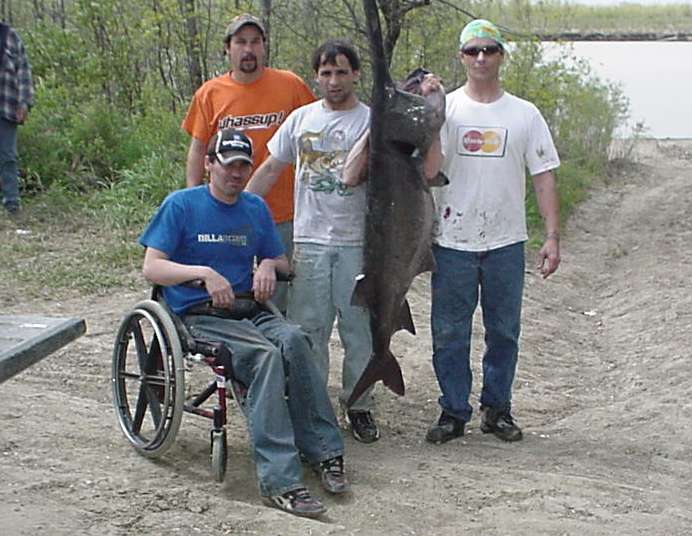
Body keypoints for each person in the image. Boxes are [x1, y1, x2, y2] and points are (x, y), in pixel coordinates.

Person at [139, 128, 348, 518]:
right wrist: (203, 273)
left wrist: (268, 264)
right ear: (209, 164)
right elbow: (152, 267)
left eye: (243, 166)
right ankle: (280, 481)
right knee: (265, 358)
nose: (236, 173)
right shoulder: (181, 205)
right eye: (228, 165)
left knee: (296, 340)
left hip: (249, 310)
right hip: (200, 314)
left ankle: (324, 450)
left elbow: (282, 262)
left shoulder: (254, 207)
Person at [425, 19, 561, 445]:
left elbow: (543, 176)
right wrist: (430, 114)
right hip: (452, 241)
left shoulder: (525, 114)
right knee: (449, 332)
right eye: (472, 51)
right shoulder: (445, 109)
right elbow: (428, 171)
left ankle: (497, 408)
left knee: (503, 331)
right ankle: (453, 410)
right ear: (461, 57)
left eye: (489, 50)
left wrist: (552, 236)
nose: (481, 58)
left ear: (501, 55)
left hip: (506, 241)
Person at [246, 40, 380, 443]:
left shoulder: (372, 121)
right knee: (308, 331)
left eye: (341, 72)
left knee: (359, 331)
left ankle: (359, 405)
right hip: (308, 242)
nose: (334, 81)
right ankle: (312, 404)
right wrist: (239, 212)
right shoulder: (301, 119)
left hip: (358, 243)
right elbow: (271, 168)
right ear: (316, 77)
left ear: (356, 74)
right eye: (326, 73)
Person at [181, 13, 314, 312]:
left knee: (280, 295)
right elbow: (198, 149)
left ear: (264, 46)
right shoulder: (210, 93)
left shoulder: (290, 85)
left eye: (255, 42)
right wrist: (193, 199)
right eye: (241, 42)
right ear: (227, 48)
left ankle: (278, 338)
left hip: (284, 212)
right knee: (229, 294)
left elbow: (316, 130)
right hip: (226, 213)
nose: (248, 49)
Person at [0, 22, 33, 215]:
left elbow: (23, 70)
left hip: (6, 105)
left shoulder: (9, 35)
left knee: (8, 156)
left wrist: (24, 102)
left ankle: (12, 203)